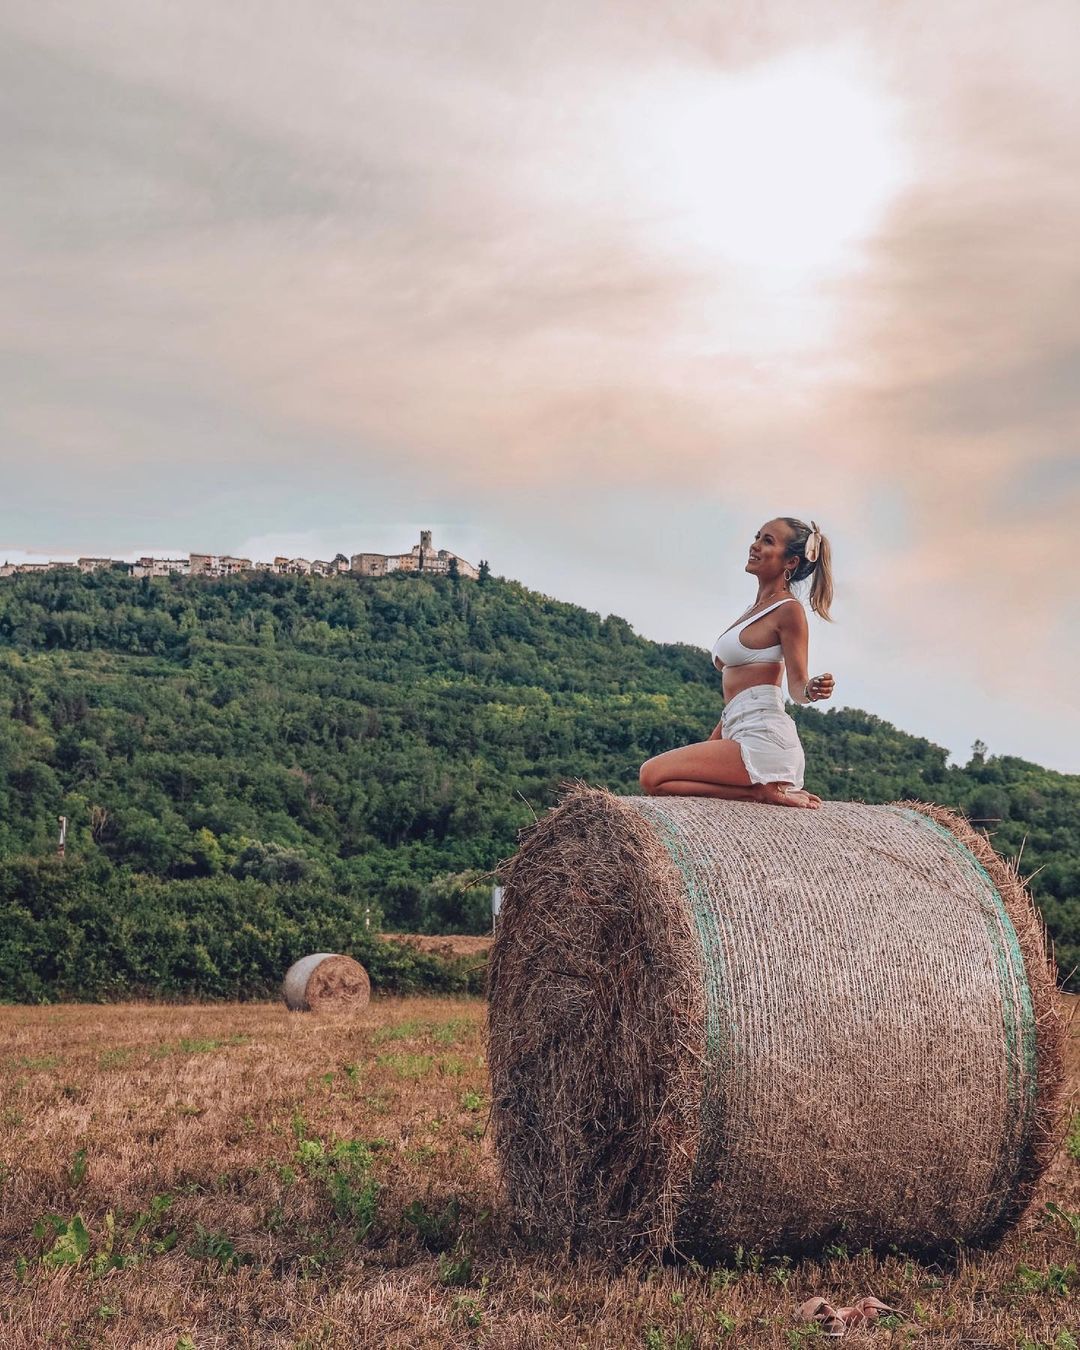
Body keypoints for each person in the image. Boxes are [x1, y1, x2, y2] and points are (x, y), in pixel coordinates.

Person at [639, 517, 835, 809]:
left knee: (651, 774)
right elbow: (738, 699)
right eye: (757, 537)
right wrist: (712, 742)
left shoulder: (789, 610)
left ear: (791, 562)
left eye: (768, 541)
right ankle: (757, 792)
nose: (755, 545)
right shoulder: (752, 610)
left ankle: (760, 792)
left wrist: (811, 689)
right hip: (735, 725)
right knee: (659, 784)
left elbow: (796, 687)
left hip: (764, 736)